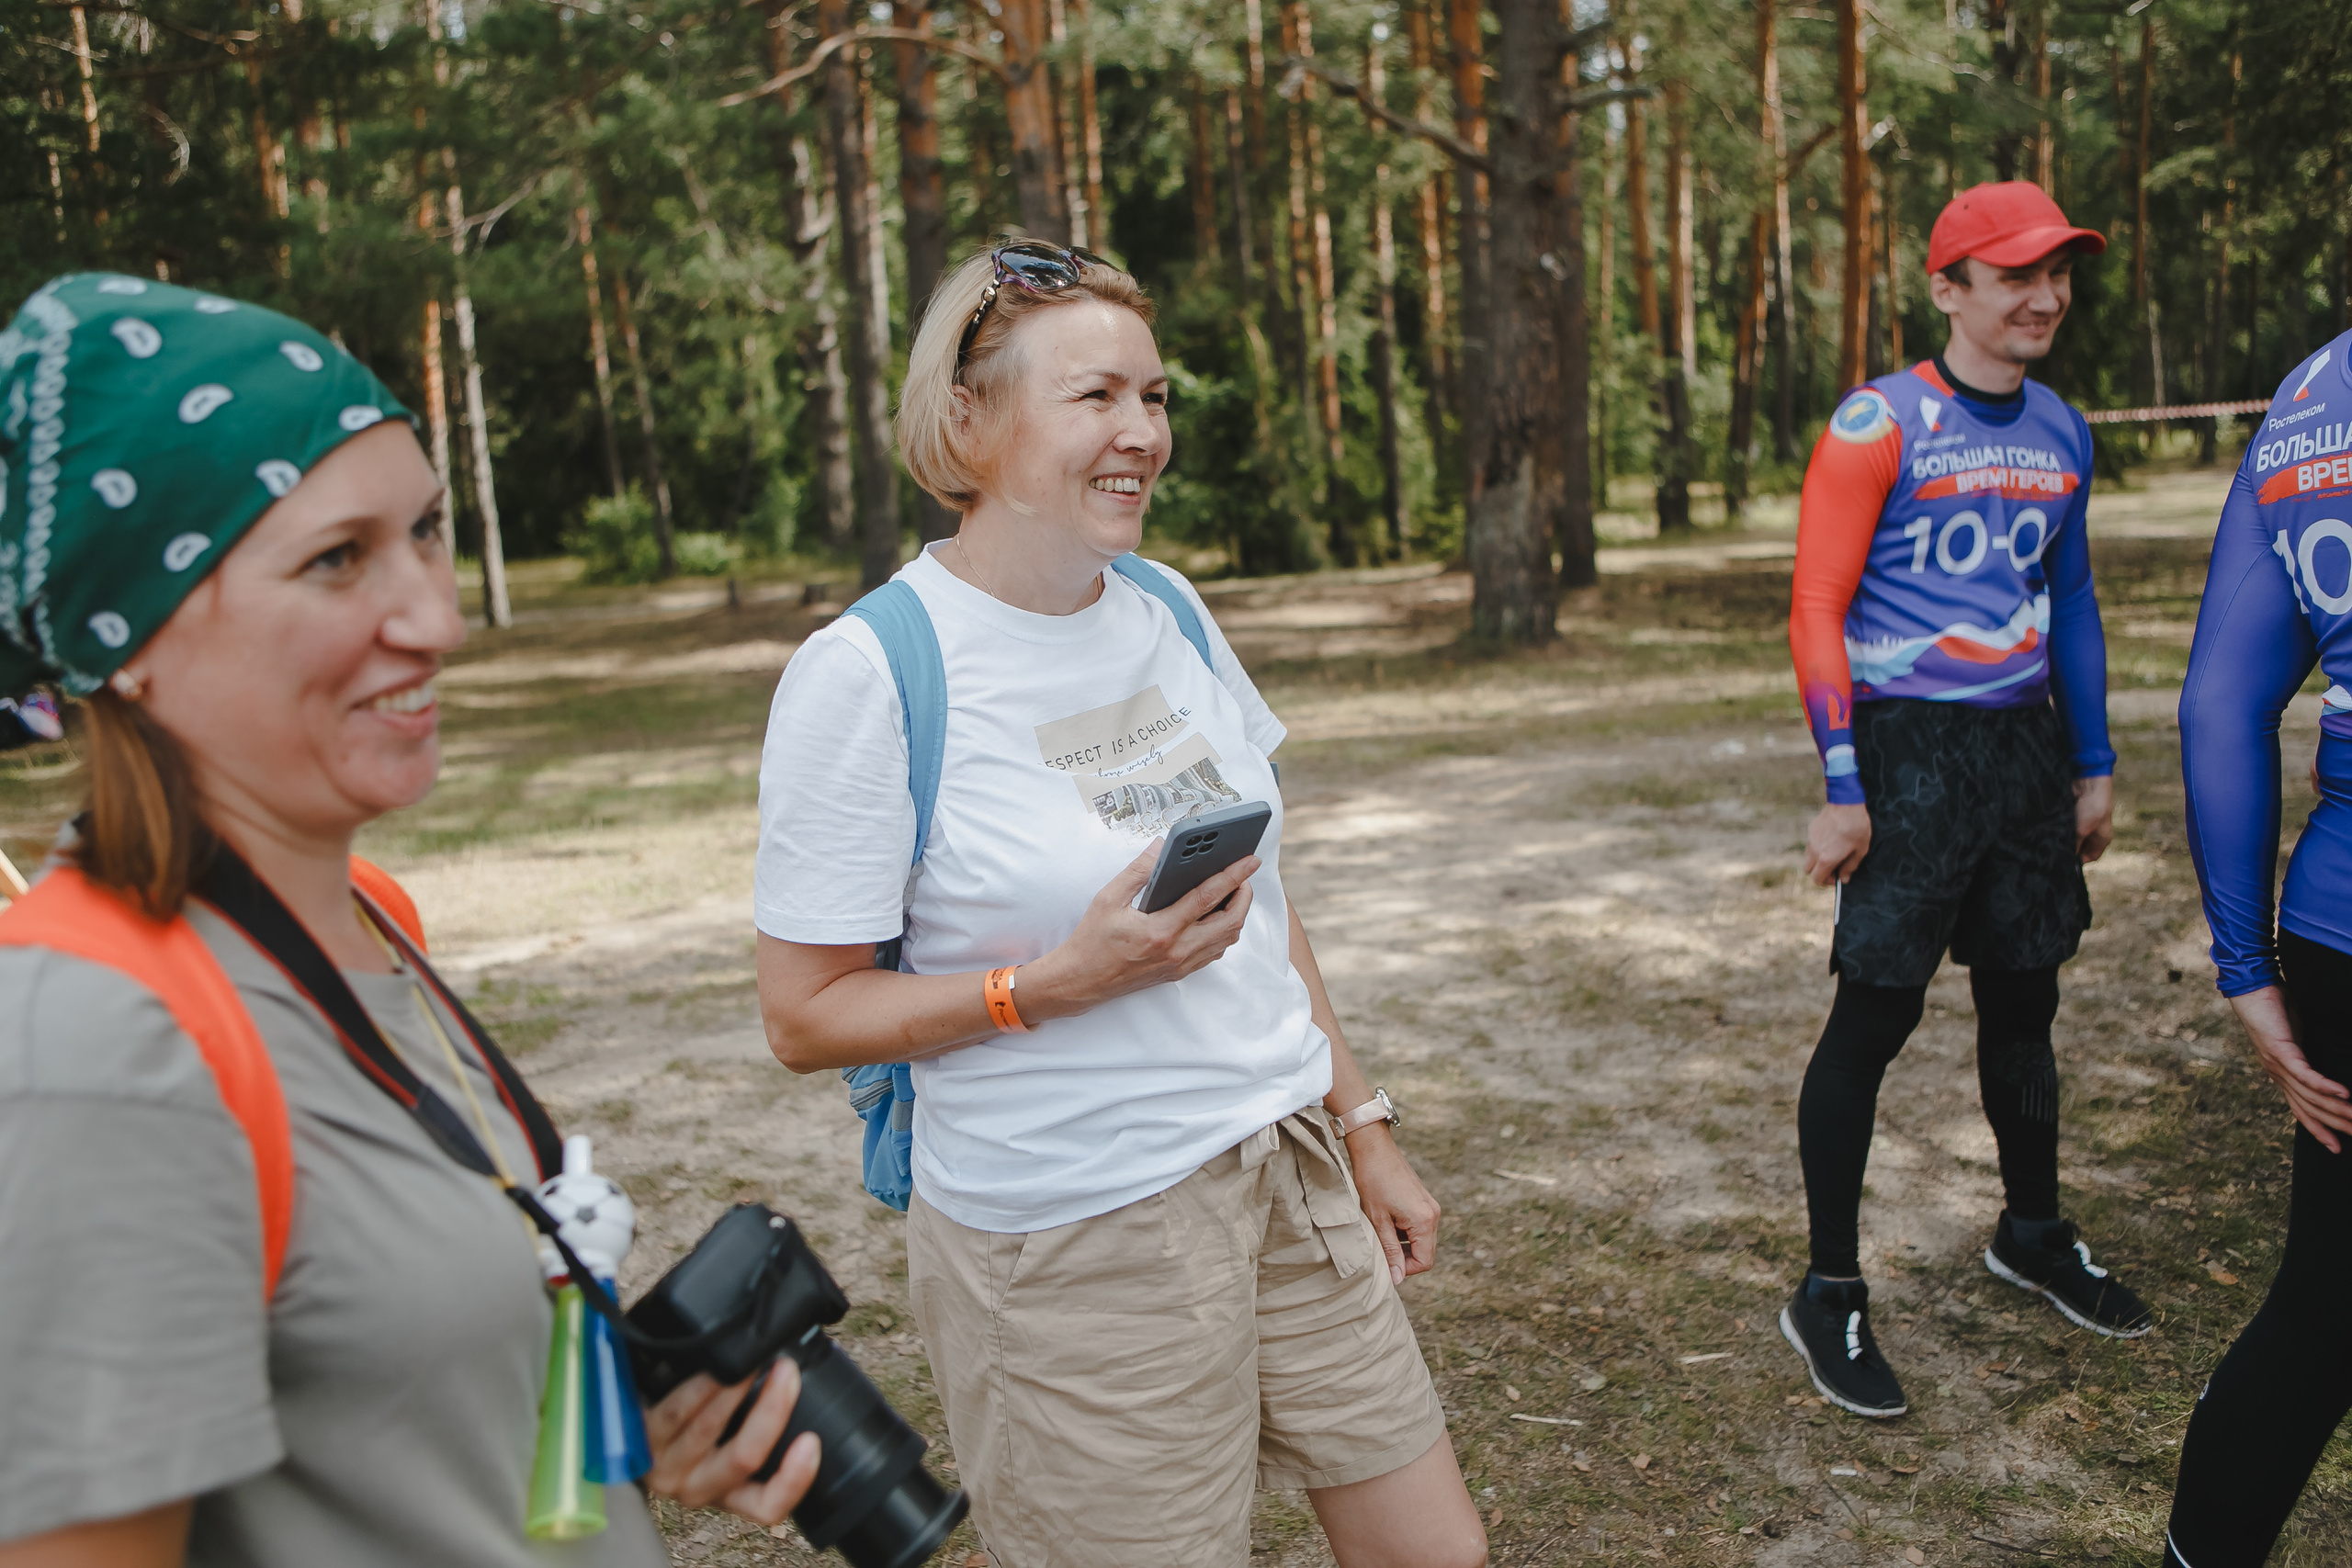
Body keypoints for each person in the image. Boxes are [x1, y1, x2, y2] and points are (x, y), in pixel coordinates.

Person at [0, 275, 816, 1566]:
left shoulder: (364, 921)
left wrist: (606, 1454)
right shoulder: (102, 1041)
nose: (434, 620)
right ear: (131, 636)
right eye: (336, 560)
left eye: (426, 531)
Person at [753, 242, 1487, 1568]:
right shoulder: (869, 670)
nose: (1142, 434)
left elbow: (1258, 905)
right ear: (967, 418)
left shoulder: (1165, 603)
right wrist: (1050, 984)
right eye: (1097, 398)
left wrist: (1362, 1122)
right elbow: (803, 1017)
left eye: (1155, 400)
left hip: (1286, 1175)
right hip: (1075, 1236)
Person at [1778, 183, 2154, 1420]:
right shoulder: (1876, 423)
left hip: (2024, 757)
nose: (2043, 297)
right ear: (1948, 289)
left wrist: (2091, 765)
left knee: (2026, 1010)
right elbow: (1817, 609)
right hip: (1906, 755)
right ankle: (1828, 1287)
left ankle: (2032, 1233)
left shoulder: (2064, 429)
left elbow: (2078, 604)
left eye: (2059, 274)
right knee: (1875, 1024)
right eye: (2013, 276)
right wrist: (1842, 786)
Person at [2165, 329, 2352, 1567]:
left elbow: (2220, 701)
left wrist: (2247, 970)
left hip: (2339, 921)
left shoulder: (2313, 394)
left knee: (2328, 1302)